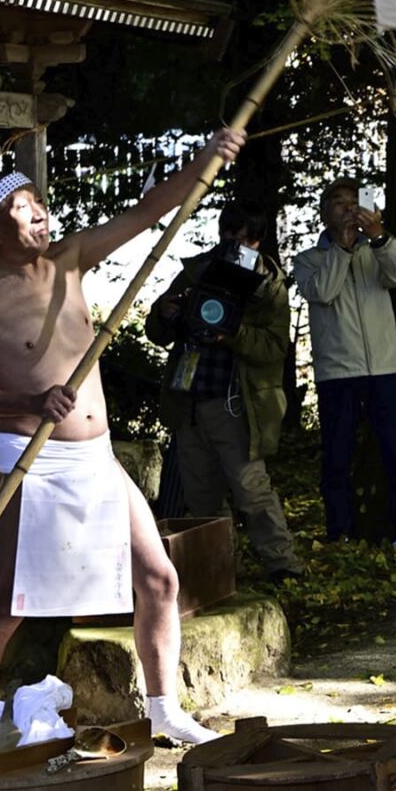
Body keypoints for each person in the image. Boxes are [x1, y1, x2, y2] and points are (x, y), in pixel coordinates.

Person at [0, 142, 243, 753]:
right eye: (24, 209)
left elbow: (147, 212)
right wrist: (26, 402)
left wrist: (207, 159)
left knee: (158, 577)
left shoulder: (70, 259)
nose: (41, 214)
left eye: (41, 203)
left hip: (95, 457)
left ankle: (162, 709)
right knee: (9, 604)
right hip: (34, 461)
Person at [148, 203, 298, 583]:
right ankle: (217, 574)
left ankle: (284, 567)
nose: (232, 246)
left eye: (242, 238)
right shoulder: (197, 272)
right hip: (191, 400)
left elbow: (274, 347)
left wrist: (232, 334)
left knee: (251, 490)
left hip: (238, 405)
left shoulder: (269, 287)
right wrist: (164, 313)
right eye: (227, 236)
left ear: (257, 239)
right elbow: (158, 331)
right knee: (201, 497)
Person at [296, 177, 396, 549]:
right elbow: (323, 291)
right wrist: (344, 250)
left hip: (385, 368)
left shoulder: (376, 250)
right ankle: (340, 533)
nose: (349, 208)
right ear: (324, 212)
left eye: (355, 201)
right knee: (337, 458)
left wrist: (379, 236)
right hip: (337, 373)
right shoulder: (309, 259)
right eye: (339, 202)